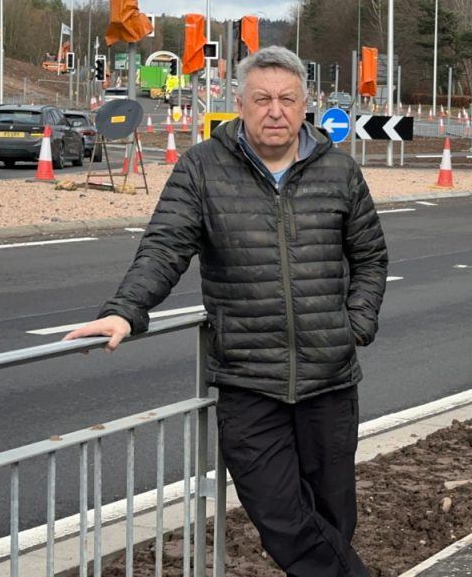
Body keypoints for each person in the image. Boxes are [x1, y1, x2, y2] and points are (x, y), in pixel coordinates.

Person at [64, 45, 387, 577]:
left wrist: (356, 324)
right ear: (239, 102)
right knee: (281, 517)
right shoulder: (202, 168)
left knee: (332, 519)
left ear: (307, 102)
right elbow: (165, 246)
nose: (275, 110)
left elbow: (371, 256)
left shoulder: (339, 171)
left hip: (329, 380)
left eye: (287, 99)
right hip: (247, 381)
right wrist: (125, 310)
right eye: (262, 99)